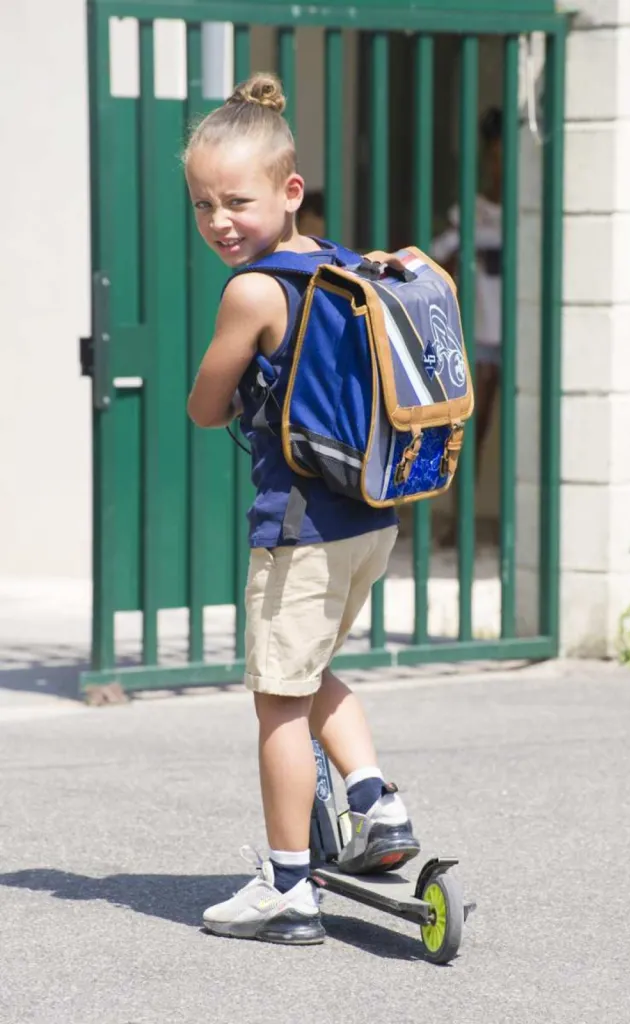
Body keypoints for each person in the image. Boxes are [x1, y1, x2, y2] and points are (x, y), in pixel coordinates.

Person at [184, 72, 420, 946]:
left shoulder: (253, 291)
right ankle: (375, 803)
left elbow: (205, 408)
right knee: (310, 669)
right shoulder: (342, 263)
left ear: (288, 191)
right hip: (369, 517)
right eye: (202, 205)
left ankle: (288, 887)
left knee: (277, 700)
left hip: (300, 526)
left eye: (235, 202)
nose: (218, 223)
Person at [432, 107, 503, 544]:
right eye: (493, 156)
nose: (500, 166)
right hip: (481, 332)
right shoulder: (468, 213)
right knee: (473, 430)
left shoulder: (530, 206)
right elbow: (438, 261)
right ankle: (461, 522)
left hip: (525, 333)